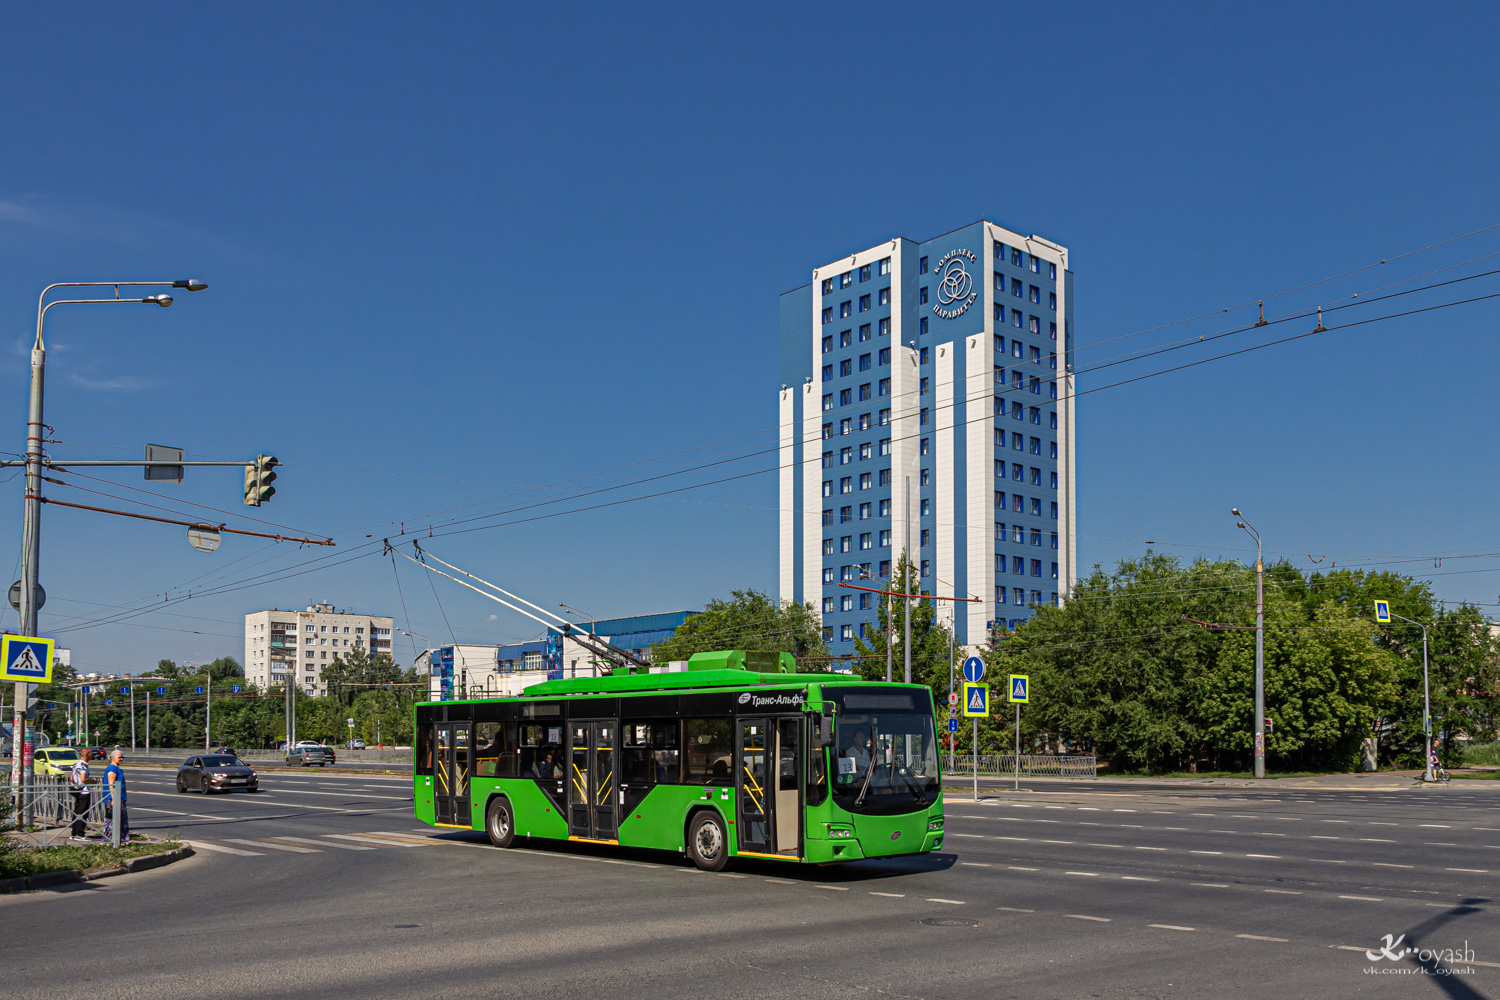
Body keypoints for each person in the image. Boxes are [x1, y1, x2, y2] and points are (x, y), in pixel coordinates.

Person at [101, 749, 130, 844]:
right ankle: (111, 839)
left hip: (119, 797)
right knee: (113, 819)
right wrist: (113, 798)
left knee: (119, 819)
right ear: (112, 758)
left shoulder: (117, 768)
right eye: (119, 757)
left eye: (122, 757)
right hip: (114, 798)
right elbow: (111, 784)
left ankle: (119, 839)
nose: (121, 759)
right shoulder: (112, 769)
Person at [68, 747, 97, 842]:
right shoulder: (83, 765)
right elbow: (83, 779)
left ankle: (74, 833)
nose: (92, 755)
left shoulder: (77, 763)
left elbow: (72, 776)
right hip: (83, 791)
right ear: (86, 754)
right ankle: (79, 834)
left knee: (77, 811)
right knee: (82, 813)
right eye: (91, 753)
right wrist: (93, 782)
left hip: (76, 789)